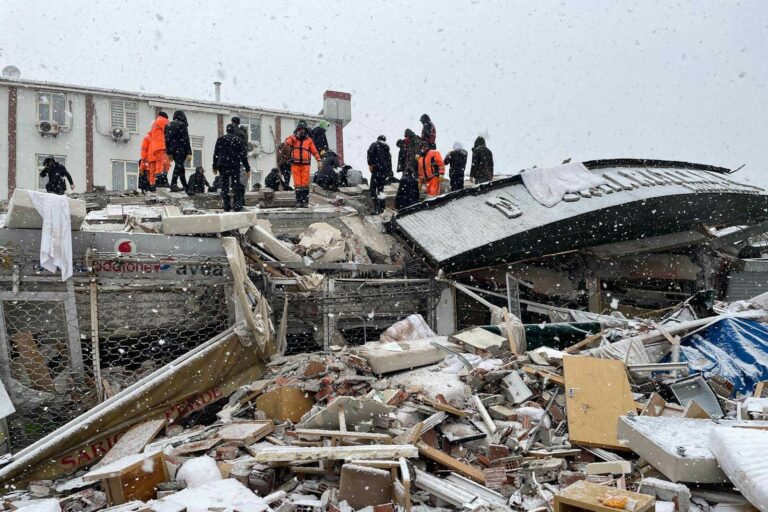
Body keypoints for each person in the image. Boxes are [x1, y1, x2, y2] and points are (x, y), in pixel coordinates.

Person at [283, 120, 321, 208]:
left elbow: (314, 152)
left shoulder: (309, 141)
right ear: (296, 130)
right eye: (300, 129)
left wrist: (319, 160)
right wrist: (293, 138)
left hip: (305, 165)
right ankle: (299, 201)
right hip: (295, 165)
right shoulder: (292, 138)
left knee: (304, 184)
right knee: (297, 184)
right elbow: (286, 144)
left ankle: (305, 202)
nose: (301, 131)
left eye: (303, 129)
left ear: (306, 130)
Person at [213, 123, 250, 212]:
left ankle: (227, 205)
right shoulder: (238, 140)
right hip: (234, 165)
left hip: (222, 165)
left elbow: (216, 154)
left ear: (226, 130)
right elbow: (243, 156)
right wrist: (247, 168)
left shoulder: (220, 139)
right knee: (235, 185)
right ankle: (237, 205)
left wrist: (214, 166)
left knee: (224, 186)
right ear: (233, 130)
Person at [164, 110, 192, 192]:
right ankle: (173, 184)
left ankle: (186, 187)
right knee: (179, 166)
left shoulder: (168, 125)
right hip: (181, 149)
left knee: (180, 167)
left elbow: (166, 140)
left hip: (172, 150)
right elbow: (186, 139)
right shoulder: (182, 125)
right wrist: (189, 152)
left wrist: (169, 152)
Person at [367, 135, 392, 214]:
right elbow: (389, 161)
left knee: (372, 189)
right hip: (384, 172)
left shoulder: (374, 144)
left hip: (377, 170)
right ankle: (382, 207)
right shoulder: (387, 149)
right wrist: (389, 172)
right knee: (381, 190)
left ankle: (377, 207)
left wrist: (370, 164)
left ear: (378, 139)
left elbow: (369, 153)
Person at [146, 111, 170, 190]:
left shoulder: (155, 123)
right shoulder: (163, 120)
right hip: (162, 145)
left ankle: (158, 181)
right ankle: (162, 181)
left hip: (156, 147)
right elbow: (169, 130)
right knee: (165, 163)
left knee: (160, 163)